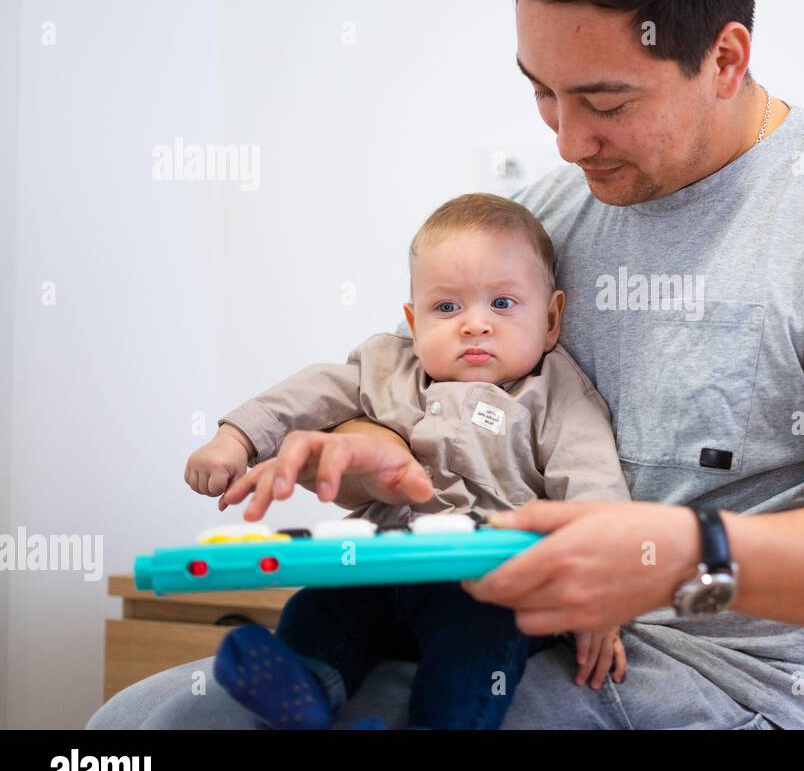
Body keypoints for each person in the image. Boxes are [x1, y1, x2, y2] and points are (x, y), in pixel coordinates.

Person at [88, 0, 804, 730]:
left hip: (733, 683)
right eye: (543, 94)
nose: (567, 141)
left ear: (725, 57)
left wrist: (663, 557)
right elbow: (447, 397)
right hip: (511, 627)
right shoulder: (553, 220)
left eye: (604, 101)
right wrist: (371, 441)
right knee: (136, 719)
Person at [180, 194, 631, 728]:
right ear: (413, 322)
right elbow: (307, 393)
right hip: (382, 561)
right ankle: (303, 693)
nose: (474, 325)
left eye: (503, 304)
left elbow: (595, 491)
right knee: (319, 606)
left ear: (551, 318)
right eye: (447, 308)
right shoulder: (389, 366)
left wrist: (602, 598)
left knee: (479, 642)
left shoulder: (555, 394)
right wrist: (235, 440)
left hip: (488, 579)